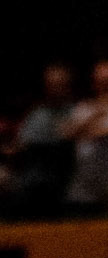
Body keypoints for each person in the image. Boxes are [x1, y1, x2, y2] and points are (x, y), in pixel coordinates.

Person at [63, 62, 108, 217]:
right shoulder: (84, 107)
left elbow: (104, 132)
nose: (107, 86)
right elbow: (67, 133)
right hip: (84, 183)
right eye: (103, 82)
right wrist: (96, 115)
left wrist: (83, 128)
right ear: (95, 83)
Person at [5, 65, 77, 218]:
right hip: (32, 180)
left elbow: (69, 141)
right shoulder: (37, 114)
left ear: (68, 85)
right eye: (52, 84)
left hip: (65, 181)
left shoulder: (78, 111)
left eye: (60, 84)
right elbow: (21, 144)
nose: (55, 89)